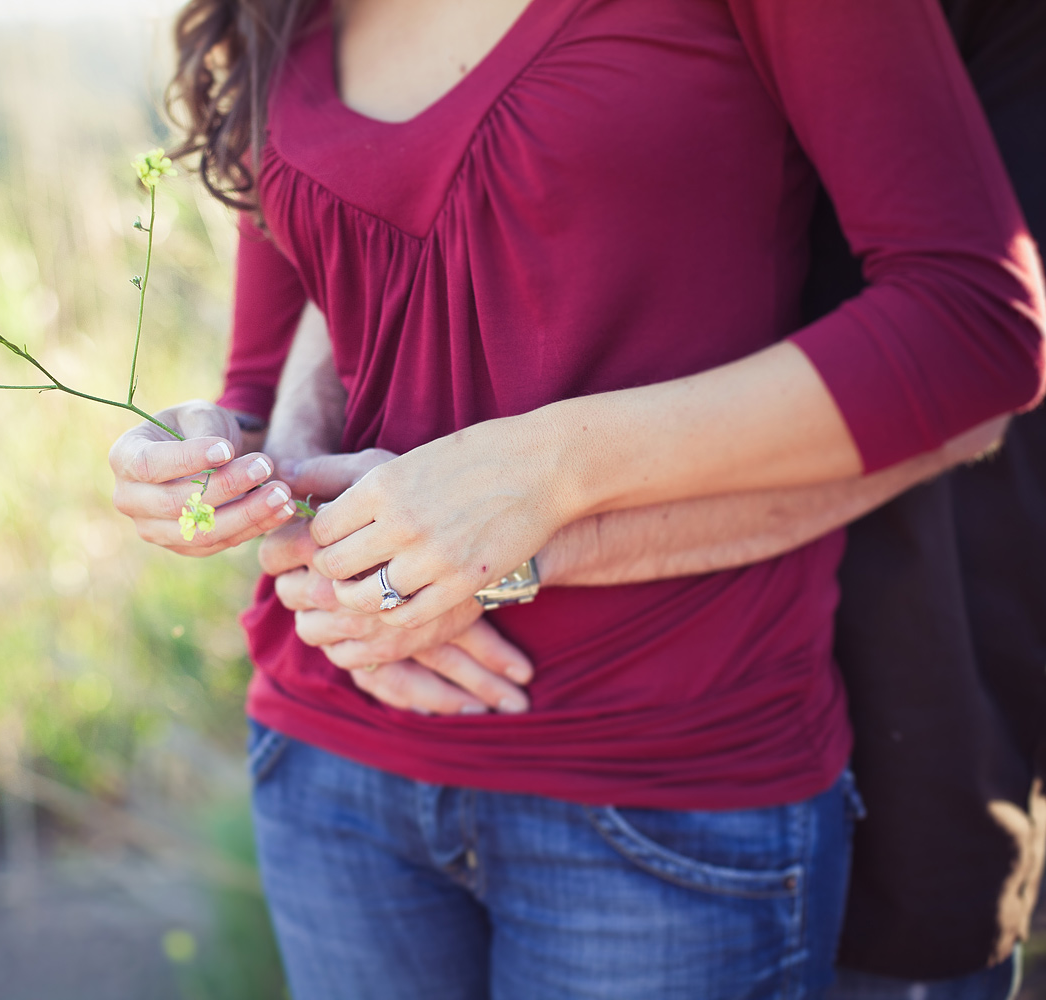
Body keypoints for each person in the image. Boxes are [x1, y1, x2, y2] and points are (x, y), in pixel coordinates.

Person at [107, 0, 1046, 995]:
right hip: (332, 758)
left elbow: (974, 331)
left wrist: (540, 474)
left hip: (661, 783)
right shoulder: (278, 16)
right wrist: (209, 458)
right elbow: (265, 373)